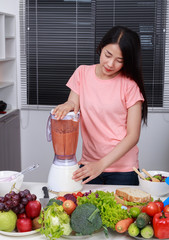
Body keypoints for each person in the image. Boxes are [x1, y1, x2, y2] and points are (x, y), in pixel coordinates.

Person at [53, 26, 148, 185]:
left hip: (123, 170)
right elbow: (73, 102)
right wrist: (67, 104)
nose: (110, 63)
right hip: (89, 166)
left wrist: (101, 165)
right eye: (108, 55)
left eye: (120, 60)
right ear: (100, 47)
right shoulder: (82, 73)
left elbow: (133, 136)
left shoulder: (130, 86)